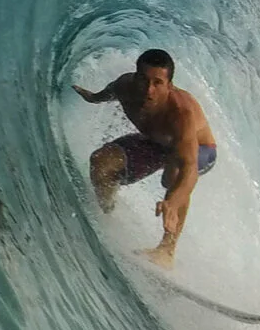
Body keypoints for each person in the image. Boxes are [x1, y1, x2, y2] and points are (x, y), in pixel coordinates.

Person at [74, 49, 217, 267]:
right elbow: (104, 95)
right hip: (157, 143)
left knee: (173, 175)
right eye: (143, 79)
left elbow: (189, 168)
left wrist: (172, 202)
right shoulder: (124, 86)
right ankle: (107, 212)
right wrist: (92, 97)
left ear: (169, 86)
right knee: (101, 161)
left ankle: (167, 250)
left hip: (201, 150)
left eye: (158, 83)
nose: (149, 90)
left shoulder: (181, 114)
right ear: (135, 76)